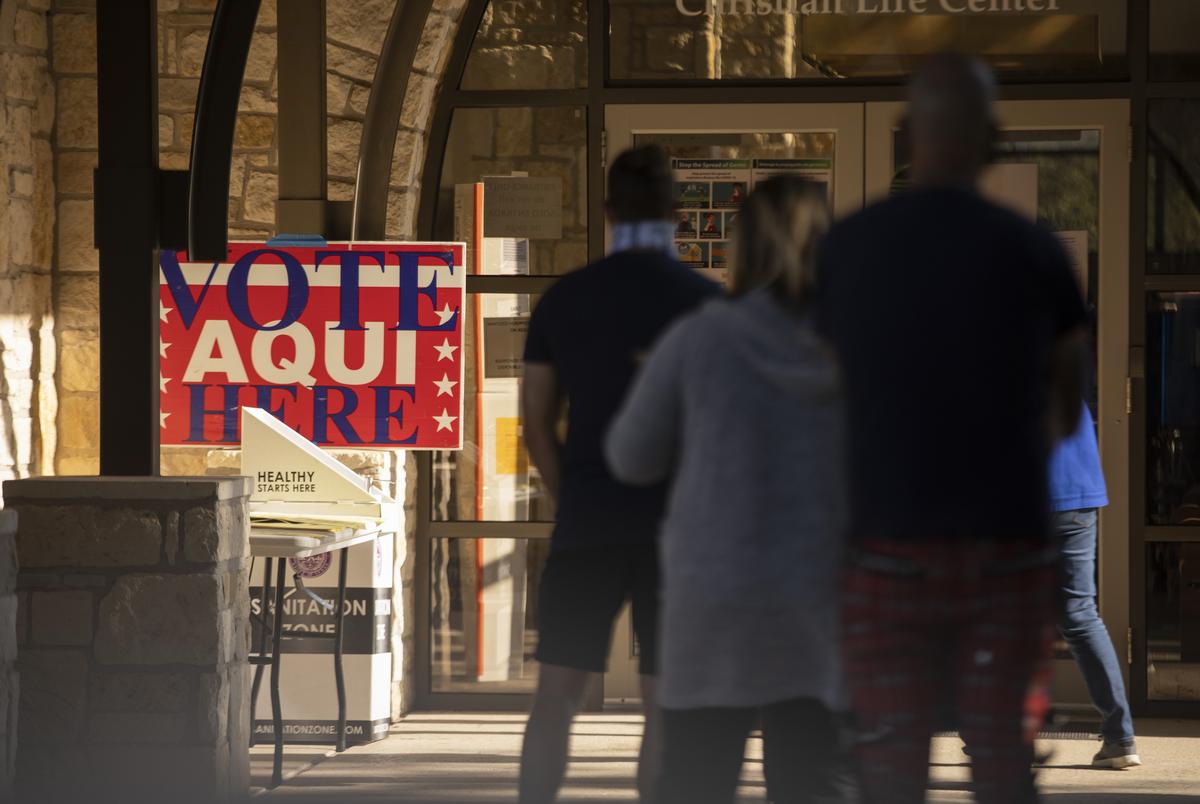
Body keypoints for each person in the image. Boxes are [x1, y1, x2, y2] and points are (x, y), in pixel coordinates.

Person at [816, 54, 1088, 804]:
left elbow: (823, 399)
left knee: (889, 768)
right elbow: (1066, 411)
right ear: (993, 139)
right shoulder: (1034, 253)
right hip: (1005, 547)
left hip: (883, 544)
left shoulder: (847, 248)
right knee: (1003, 763)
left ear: (906, 132)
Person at [606, 176, 847, 804]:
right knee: (816, 783)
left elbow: (630, 457)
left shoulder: (700, 340)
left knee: (696, 781)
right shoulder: (860, 346)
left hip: (714, 606)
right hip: (827, 611)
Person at [518, 145, 719, 804]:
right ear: (677, 214)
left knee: (557, 697)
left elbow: (536, 425)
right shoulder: (707, 305)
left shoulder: (564, 302)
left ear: (607, 211)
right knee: (666, 705)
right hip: (678, 534)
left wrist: (568, 496)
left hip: (588, 527)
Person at [1050, 402, 1140, 768]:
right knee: (1081, 614)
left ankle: (992, 738)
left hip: (1017, 501)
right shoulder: (1060, 358)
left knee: (996, 616)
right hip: (1075, 497)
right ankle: (1120, 738)